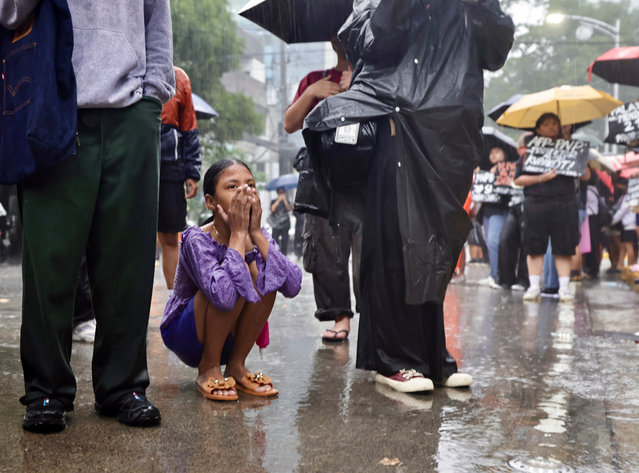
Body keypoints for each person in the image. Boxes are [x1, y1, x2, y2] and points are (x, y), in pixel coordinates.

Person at [303, 0, 514, 392]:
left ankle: (432, 354)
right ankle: (392, 357)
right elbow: (371, 41)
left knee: (437, 242)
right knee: (395, 238)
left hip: (450, 132)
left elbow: (495, 51)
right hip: (396, 122)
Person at [2, 0, 175, 432]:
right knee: (49, 259)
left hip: (131, 113)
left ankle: (124, 386)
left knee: (128, 260)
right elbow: (8, 13)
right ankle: (46, 390)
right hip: (51, 101)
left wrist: (154, 91)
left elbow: (156, 14)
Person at [161, 159, 302, 401]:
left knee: (266, 276)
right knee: (235, 276)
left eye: (250, 185)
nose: (245, 193)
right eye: (233, 187)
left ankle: (236, 366)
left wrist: (255, 234)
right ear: (210, 202)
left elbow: (291, 285)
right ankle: (208, 368)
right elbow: (223, 297)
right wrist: (238, 235)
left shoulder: (259, 233)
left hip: (229, 331)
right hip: (187, 334)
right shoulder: (196, 240)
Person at [284, 36, 362, 343]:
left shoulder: (373, 76)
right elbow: (290, 123)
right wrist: (312, 93)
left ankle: (373, 317)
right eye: (337, 34)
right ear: (331, 40)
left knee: (369, 248)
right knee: (327, 247)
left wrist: (357, 86)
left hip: (364, 173)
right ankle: (339, 316)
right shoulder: (314, 79)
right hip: (321, 173)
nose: (342, 40)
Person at [513, 113, 581, 303]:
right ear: (538, 128)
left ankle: (564, 288)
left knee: (564, 247)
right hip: (536, 203)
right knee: (534, 246)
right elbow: (518, 179)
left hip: (565, 203)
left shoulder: (570, 147)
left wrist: (576, 156)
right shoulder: (530, 150)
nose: (551, 127)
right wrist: (542, 178)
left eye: (554, 124)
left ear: (560, 126)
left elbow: (584, 175)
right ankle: (534, 286)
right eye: (546, 124)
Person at [158, 66, 202, 295]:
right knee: (134, 236)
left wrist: (192, 172)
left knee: (170, 235)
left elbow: (189, 125)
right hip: (133, 160)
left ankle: (173, 298)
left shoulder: (179, 76)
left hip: (170, 165)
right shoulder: (128, 66)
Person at [477, 146, 510, 288]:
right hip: (487, 211)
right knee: (489, 242)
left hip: (500, 210)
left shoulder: (508, 169)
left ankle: (497, 275)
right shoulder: (486, 169)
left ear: (504, 153)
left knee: (493, 241)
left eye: (497, 152)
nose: (493, 155)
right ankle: (493, 273)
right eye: (491, 153)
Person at [269, 187, 292, 254]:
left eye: (282, 192)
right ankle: (276, 255)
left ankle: (284, 255)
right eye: (280, 192)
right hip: (276, 224)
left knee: (285, 240)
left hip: (285, 224)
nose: (281, 194)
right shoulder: (274, 201)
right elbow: (272, 209)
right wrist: (278, 200)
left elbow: (289, 209)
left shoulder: (287, 201)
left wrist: (284, 200)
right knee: (275, 240)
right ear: (277, 193)